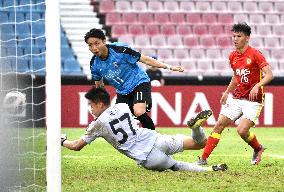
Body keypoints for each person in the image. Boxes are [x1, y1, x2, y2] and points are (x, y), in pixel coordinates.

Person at [61, 87, 228, 172]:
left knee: (177, 166)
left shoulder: (97, 124)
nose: (90, 109)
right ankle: (195, 128)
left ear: (100, 104)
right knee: (199, 143)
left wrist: (62, 141)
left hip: (148, 157)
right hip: (156, 139)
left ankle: (209, 169)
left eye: (91, 105)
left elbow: (76, 145)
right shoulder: (122, 106)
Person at [195, 23, 274, 166]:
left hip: (253, 100)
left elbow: (269, 75)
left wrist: (258, 85)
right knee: (219, 125)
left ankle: (257, 148)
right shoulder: (232, 56)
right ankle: (203, 159)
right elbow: (236, 77)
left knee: (242, 130)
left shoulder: (255, 54)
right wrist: (226, 92)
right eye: (234, 36)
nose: (235, 39)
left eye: (239, 36)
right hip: (237, 97)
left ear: (247, 38)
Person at [84, 28, 184, 130]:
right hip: (122, 92)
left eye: (97, 43)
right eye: (90, 45)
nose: (94, 48)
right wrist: (100, 107)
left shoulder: (120, 50)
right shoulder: (94, 64)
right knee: (120, 121)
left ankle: (153, 140)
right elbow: (99, 87)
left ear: (104, 41)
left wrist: (169, 67)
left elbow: (145, 59)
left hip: (139, 82)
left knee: (139, 112)